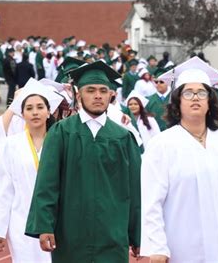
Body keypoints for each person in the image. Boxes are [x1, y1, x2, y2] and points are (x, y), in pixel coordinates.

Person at [140, 57, 218, 263]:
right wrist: (158, 247)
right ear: (177, 102)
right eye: (188, 93)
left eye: (202, 93)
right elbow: (151, 203)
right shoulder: (162, 145)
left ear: (210, 101)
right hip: (183, 248)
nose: (196, 98)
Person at [25, 61, 141, 262]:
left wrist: (137, 234)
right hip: (70, 235)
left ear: (111, 95)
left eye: (103, 90)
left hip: (112, 235)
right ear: (79, 95)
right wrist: (44, 225)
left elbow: (135, 189)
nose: (98, 95)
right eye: (91, 90)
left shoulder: (124, 138)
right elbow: (47, 183)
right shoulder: (61, 132)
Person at [0, 80, 63, 263]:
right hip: (21, 221)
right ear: (22, 114)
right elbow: (3, 189)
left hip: (56, 220)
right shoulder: (10, 145)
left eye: (39, 107)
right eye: (29, 108)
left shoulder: (61, 141)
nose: (35, 112)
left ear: (49, 111)